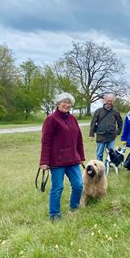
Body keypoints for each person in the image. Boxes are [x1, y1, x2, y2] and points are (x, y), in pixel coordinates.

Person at [39, 92, 85, 221]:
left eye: (69, 102)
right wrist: (44, 161)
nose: (67, 104)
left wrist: (81, 156)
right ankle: (54, 215)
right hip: (57, 162)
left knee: (78, 185)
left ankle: (74, 207)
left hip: (73, 160)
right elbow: (46, 141)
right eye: (64, 102)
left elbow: (79, 139)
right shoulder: (51, 119)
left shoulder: (73, 119)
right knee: (57, 188)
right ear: (58, 103)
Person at [89, 94, 123, 161]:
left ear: (113, 102)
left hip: (111, 136)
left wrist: (118, 132)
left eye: (111, 101)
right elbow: (93, 123)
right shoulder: (98, 111)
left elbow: (120, 122)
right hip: (101, 136)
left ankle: (107, 167)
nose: (109, 102)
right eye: (108, 101)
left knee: (110, 154)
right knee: (99, 154)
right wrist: (91, 134)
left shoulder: (115, 111)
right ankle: (100, 168)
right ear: (104, 101)